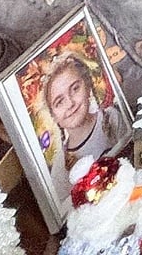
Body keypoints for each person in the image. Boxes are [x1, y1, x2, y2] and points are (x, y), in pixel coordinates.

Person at [41, 53, 123, 200]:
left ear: (88, 86)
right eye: (59, 102)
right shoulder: (60, 167)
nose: (70, 103)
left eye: (75, 89)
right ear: (53, 115)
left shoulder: (112, 118)